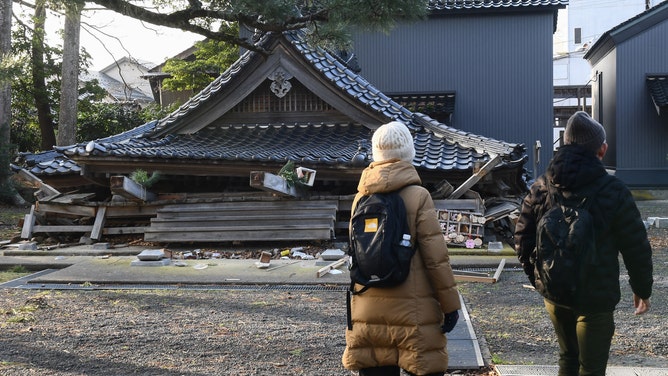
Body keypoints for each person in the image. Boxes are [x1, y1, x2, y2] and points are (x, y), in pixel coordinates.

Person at [514, 111, 653, 376]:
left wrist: (539, 278)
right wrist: (642, 289)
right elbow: (636, 247)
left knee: (567, 358)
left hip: (555, 292)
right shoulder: (613, 191)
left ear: (564, 144)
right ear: (602, 150)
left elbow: (522, 238)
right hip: (596, 295)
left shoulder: (541, 187)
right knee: (591, 368)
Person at [342, 121, 461, 376]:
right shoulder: (419, 196)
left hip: (368, 307)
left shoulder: (360, 199)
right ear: (409, 153)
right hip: (414, 312)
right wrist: (451, 306)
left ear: (376, 154)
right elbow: (436, 260)